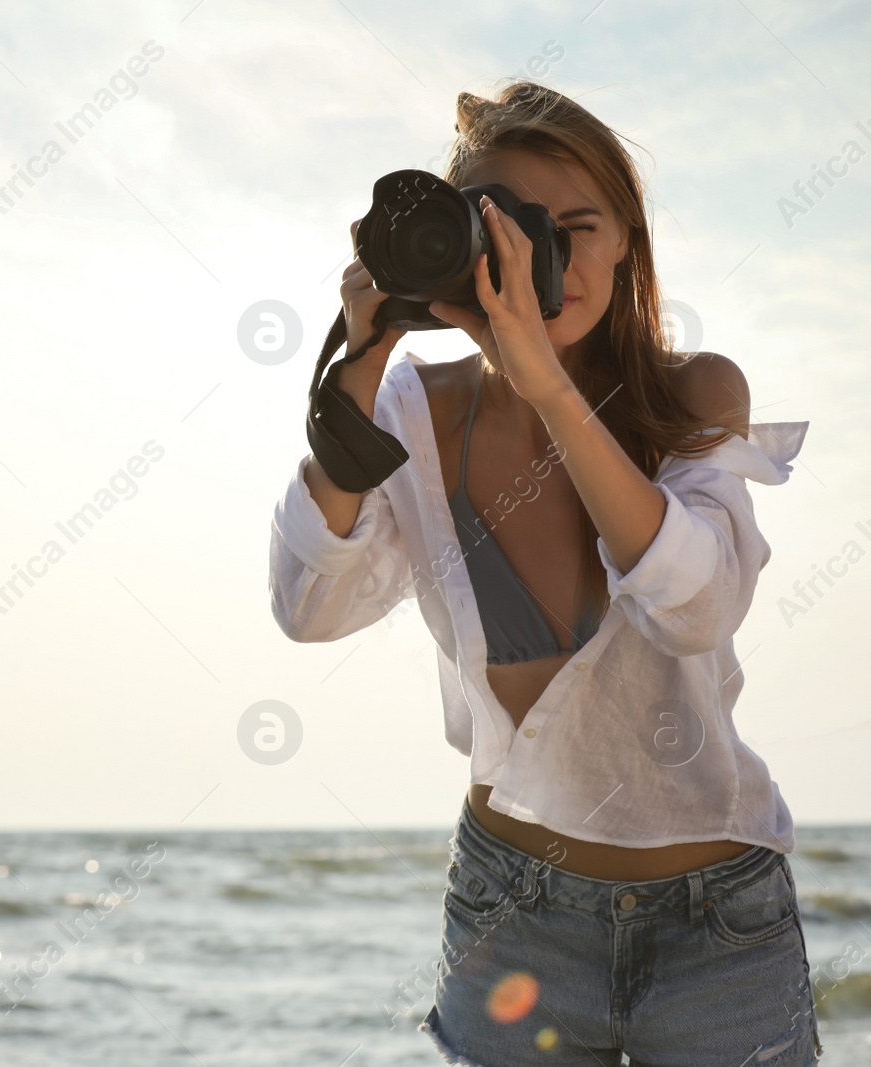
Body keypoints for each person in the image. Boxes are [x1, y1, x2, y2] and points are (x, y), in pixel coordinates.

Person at [268, 81, 818, 1065]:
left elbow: (696, 608)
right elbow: (308, 609)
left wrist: (548, 387)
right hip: (507, 909)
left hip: (715, 921)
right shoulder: (415, 411)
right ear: (461, 248)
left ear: (625, 246)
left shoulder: (692, 394)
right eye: (510, 231)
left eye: (572, 226)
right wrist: (352, 375)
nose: (544, 259)